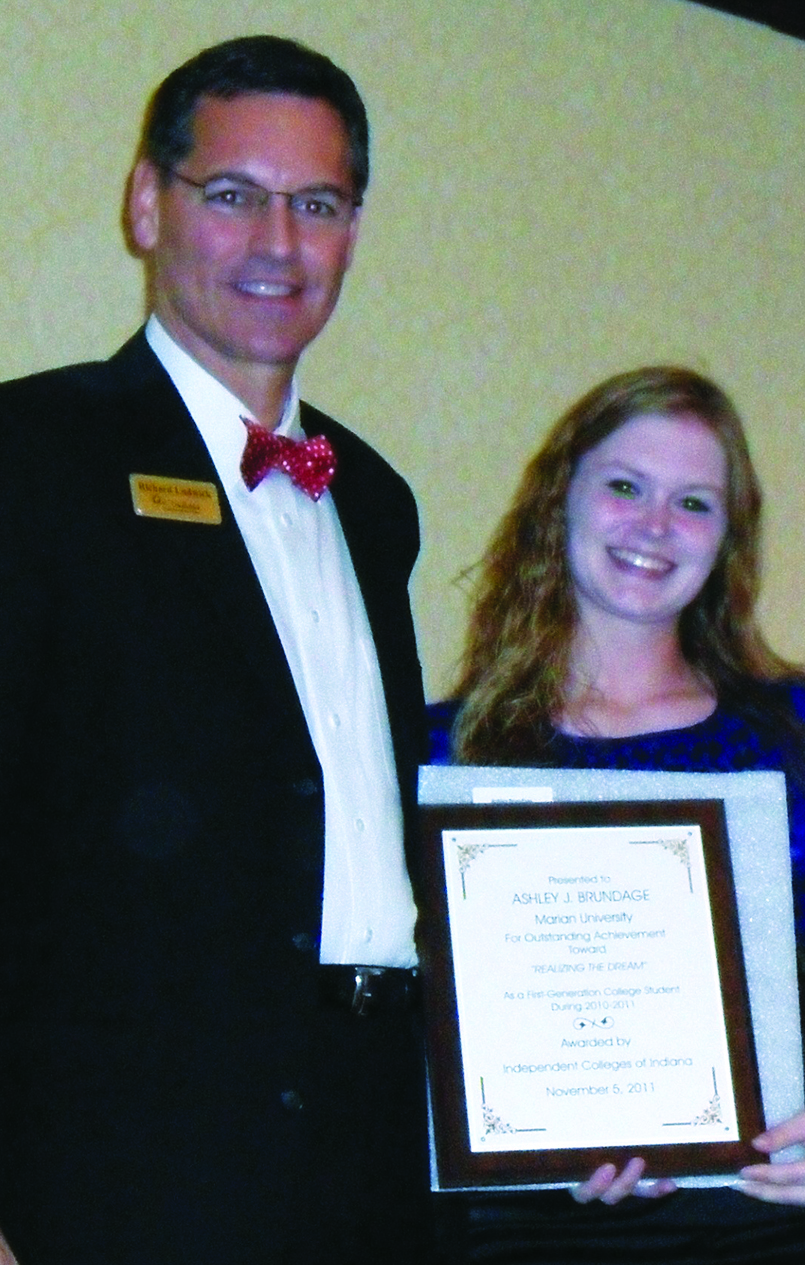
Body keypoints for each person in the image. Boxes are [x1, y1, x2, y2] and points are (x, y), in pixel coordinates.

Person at [0, 35, 433, 1263]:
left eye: (318, 205)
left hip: (366, 1151)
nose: (278, 244)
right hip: (116, 1167)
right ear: (148, 203)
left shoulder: (375, 499)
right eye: (234, 194)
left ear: (354, 231)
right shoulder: (33, 456)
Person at [432, 366, 805, 1263]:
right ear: (558, 500)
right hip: (528, 1230)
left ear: (729, 538)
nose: (654, 526)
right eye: (625, 487)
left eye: (694, 503)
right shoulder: (448, 755)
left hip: (770, 1215)